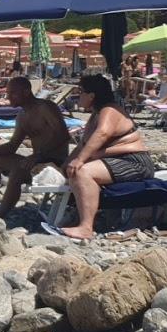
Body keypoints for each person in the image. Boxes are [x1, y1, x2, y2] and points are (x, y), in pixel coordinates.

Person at [53, 74, 153, 239]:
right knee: (74, 170)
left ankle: (86, 227)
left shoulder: (110, 110)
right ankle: (78, 216)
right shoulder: (96, 114)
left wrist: (80, 161)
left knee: (82, 172)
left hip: (134, 162)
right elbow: (83, 145)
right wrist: (67, 164)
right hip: (117, 160)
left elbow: (102, 134)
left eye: (80, 91)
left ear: (92, 95)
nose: (77, 95)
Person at [0, 77, 73, 218]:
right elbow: (12, 146)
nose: (8, 96)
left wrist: (38, 155)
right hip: (37, 162)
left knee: (19, 169)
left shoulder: (45, 108)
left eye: (13, 93)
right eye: (8, 93)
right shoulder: (22, 116)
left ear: (26, 92)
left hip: (55, 163)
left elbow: (63, 136)